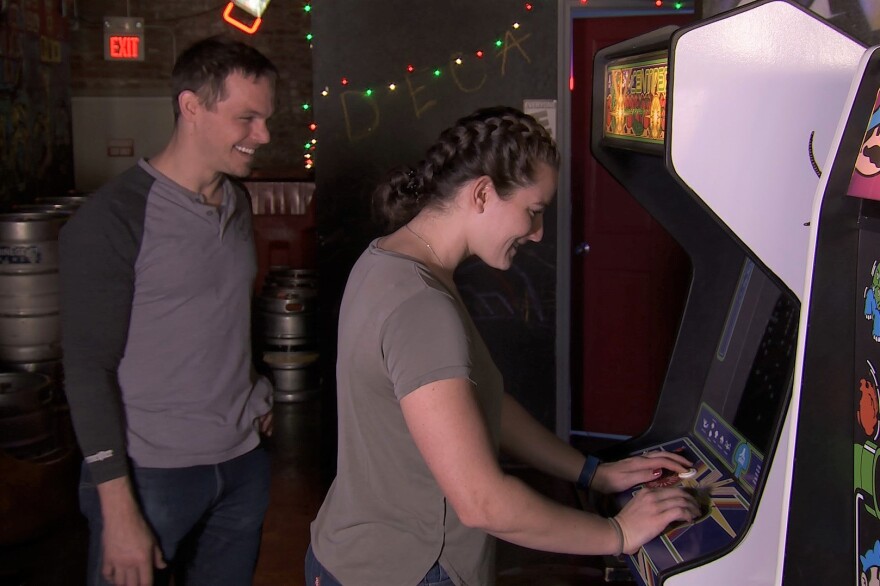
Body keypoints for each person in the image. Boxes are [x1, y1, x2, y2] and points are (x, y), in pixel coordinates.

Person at [306, 106, 700, 586]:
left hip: (350, 555)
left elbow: (485, 403)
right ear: (482, 193)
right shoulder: (422, 306)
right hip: (408, 570)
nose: (537, 233)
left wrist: (593, 474)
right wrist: (617, 533)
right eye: (533, 212)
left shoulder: (389, 260)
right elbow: (482, 501)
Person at [59, 35, 277, 586]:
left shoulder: (237, 200)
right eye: (247, 119)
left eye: (266, 119)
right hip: (149, 474)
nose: (264, 136)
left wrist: (254, 384)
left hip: (243, 461)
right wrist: (118, 508)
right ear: (191, 107)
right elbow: (87, 368)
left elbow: (221, 314)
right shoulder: (113, 220)